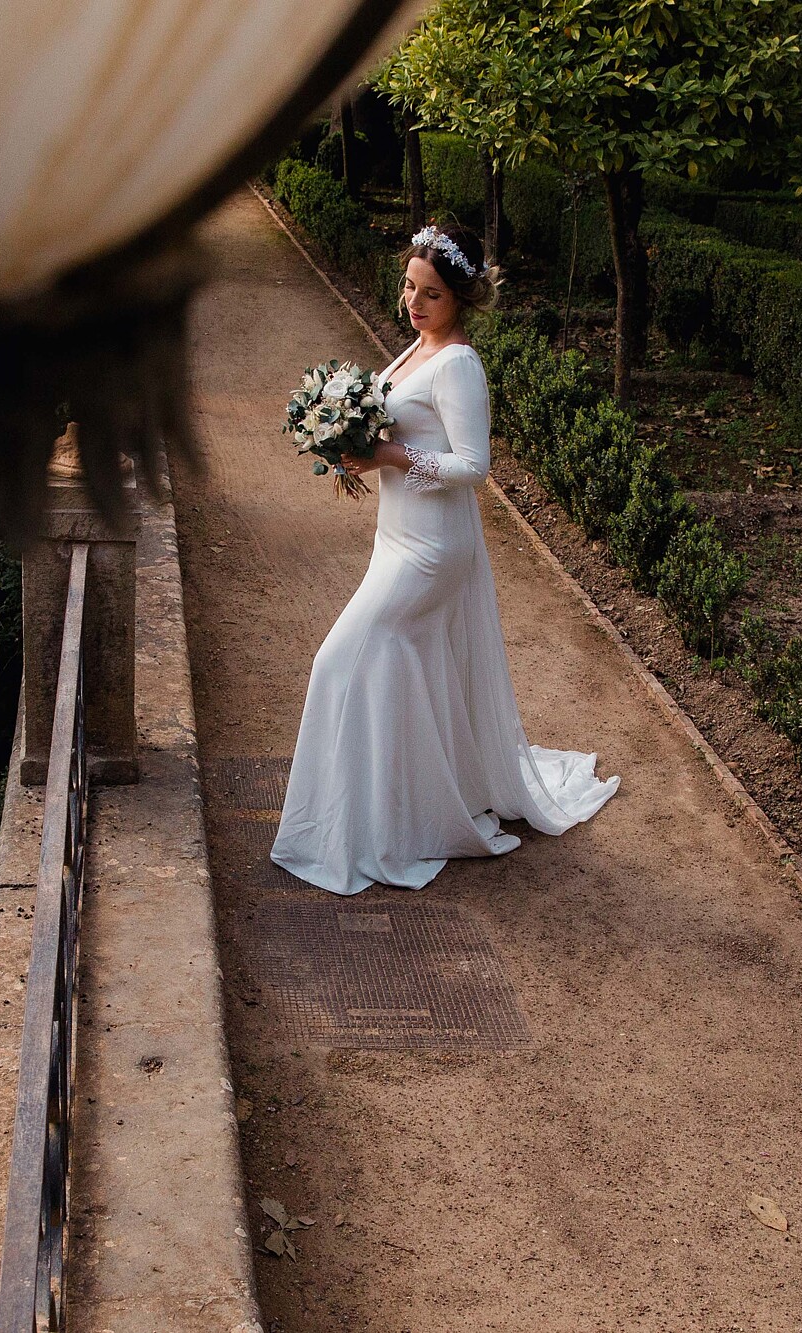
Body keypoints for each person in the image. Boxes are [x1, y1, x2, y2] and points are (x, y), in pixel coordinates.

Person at [269, 222, 618, 895]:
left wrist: (391, 455)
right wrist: (350, 447)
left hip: (431, 550)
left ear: (460, 297)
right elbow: (398, 425)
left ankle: (356, 827)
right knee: (397, 670)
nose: (415, 301)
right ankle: (398, 809)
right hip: (395, 537)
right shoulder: (415, 348)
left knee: (338, 660)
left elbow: (473, 466)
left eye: (431, 293)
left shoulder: (458, 363)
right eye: (410, 287)